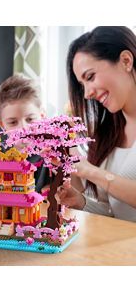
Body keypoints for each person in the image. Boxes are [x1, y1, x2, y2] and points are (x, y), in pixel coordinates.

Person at [58, 26, 136, 222]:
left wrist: (90, 171)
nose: (87, 94)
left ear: (126, 61)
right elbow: (114, 213)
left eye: (90, 77)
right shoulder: (108, 134)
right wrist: (81, 202)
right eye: (82, 84)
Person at [0, 74, 50, 193]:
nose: (23, 128)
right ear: (1, 124)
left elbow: (44, 197)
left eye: (30, 120)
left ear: (42, 117)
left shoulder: (50, 156)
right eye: (13, 122)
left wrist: (1, 186)